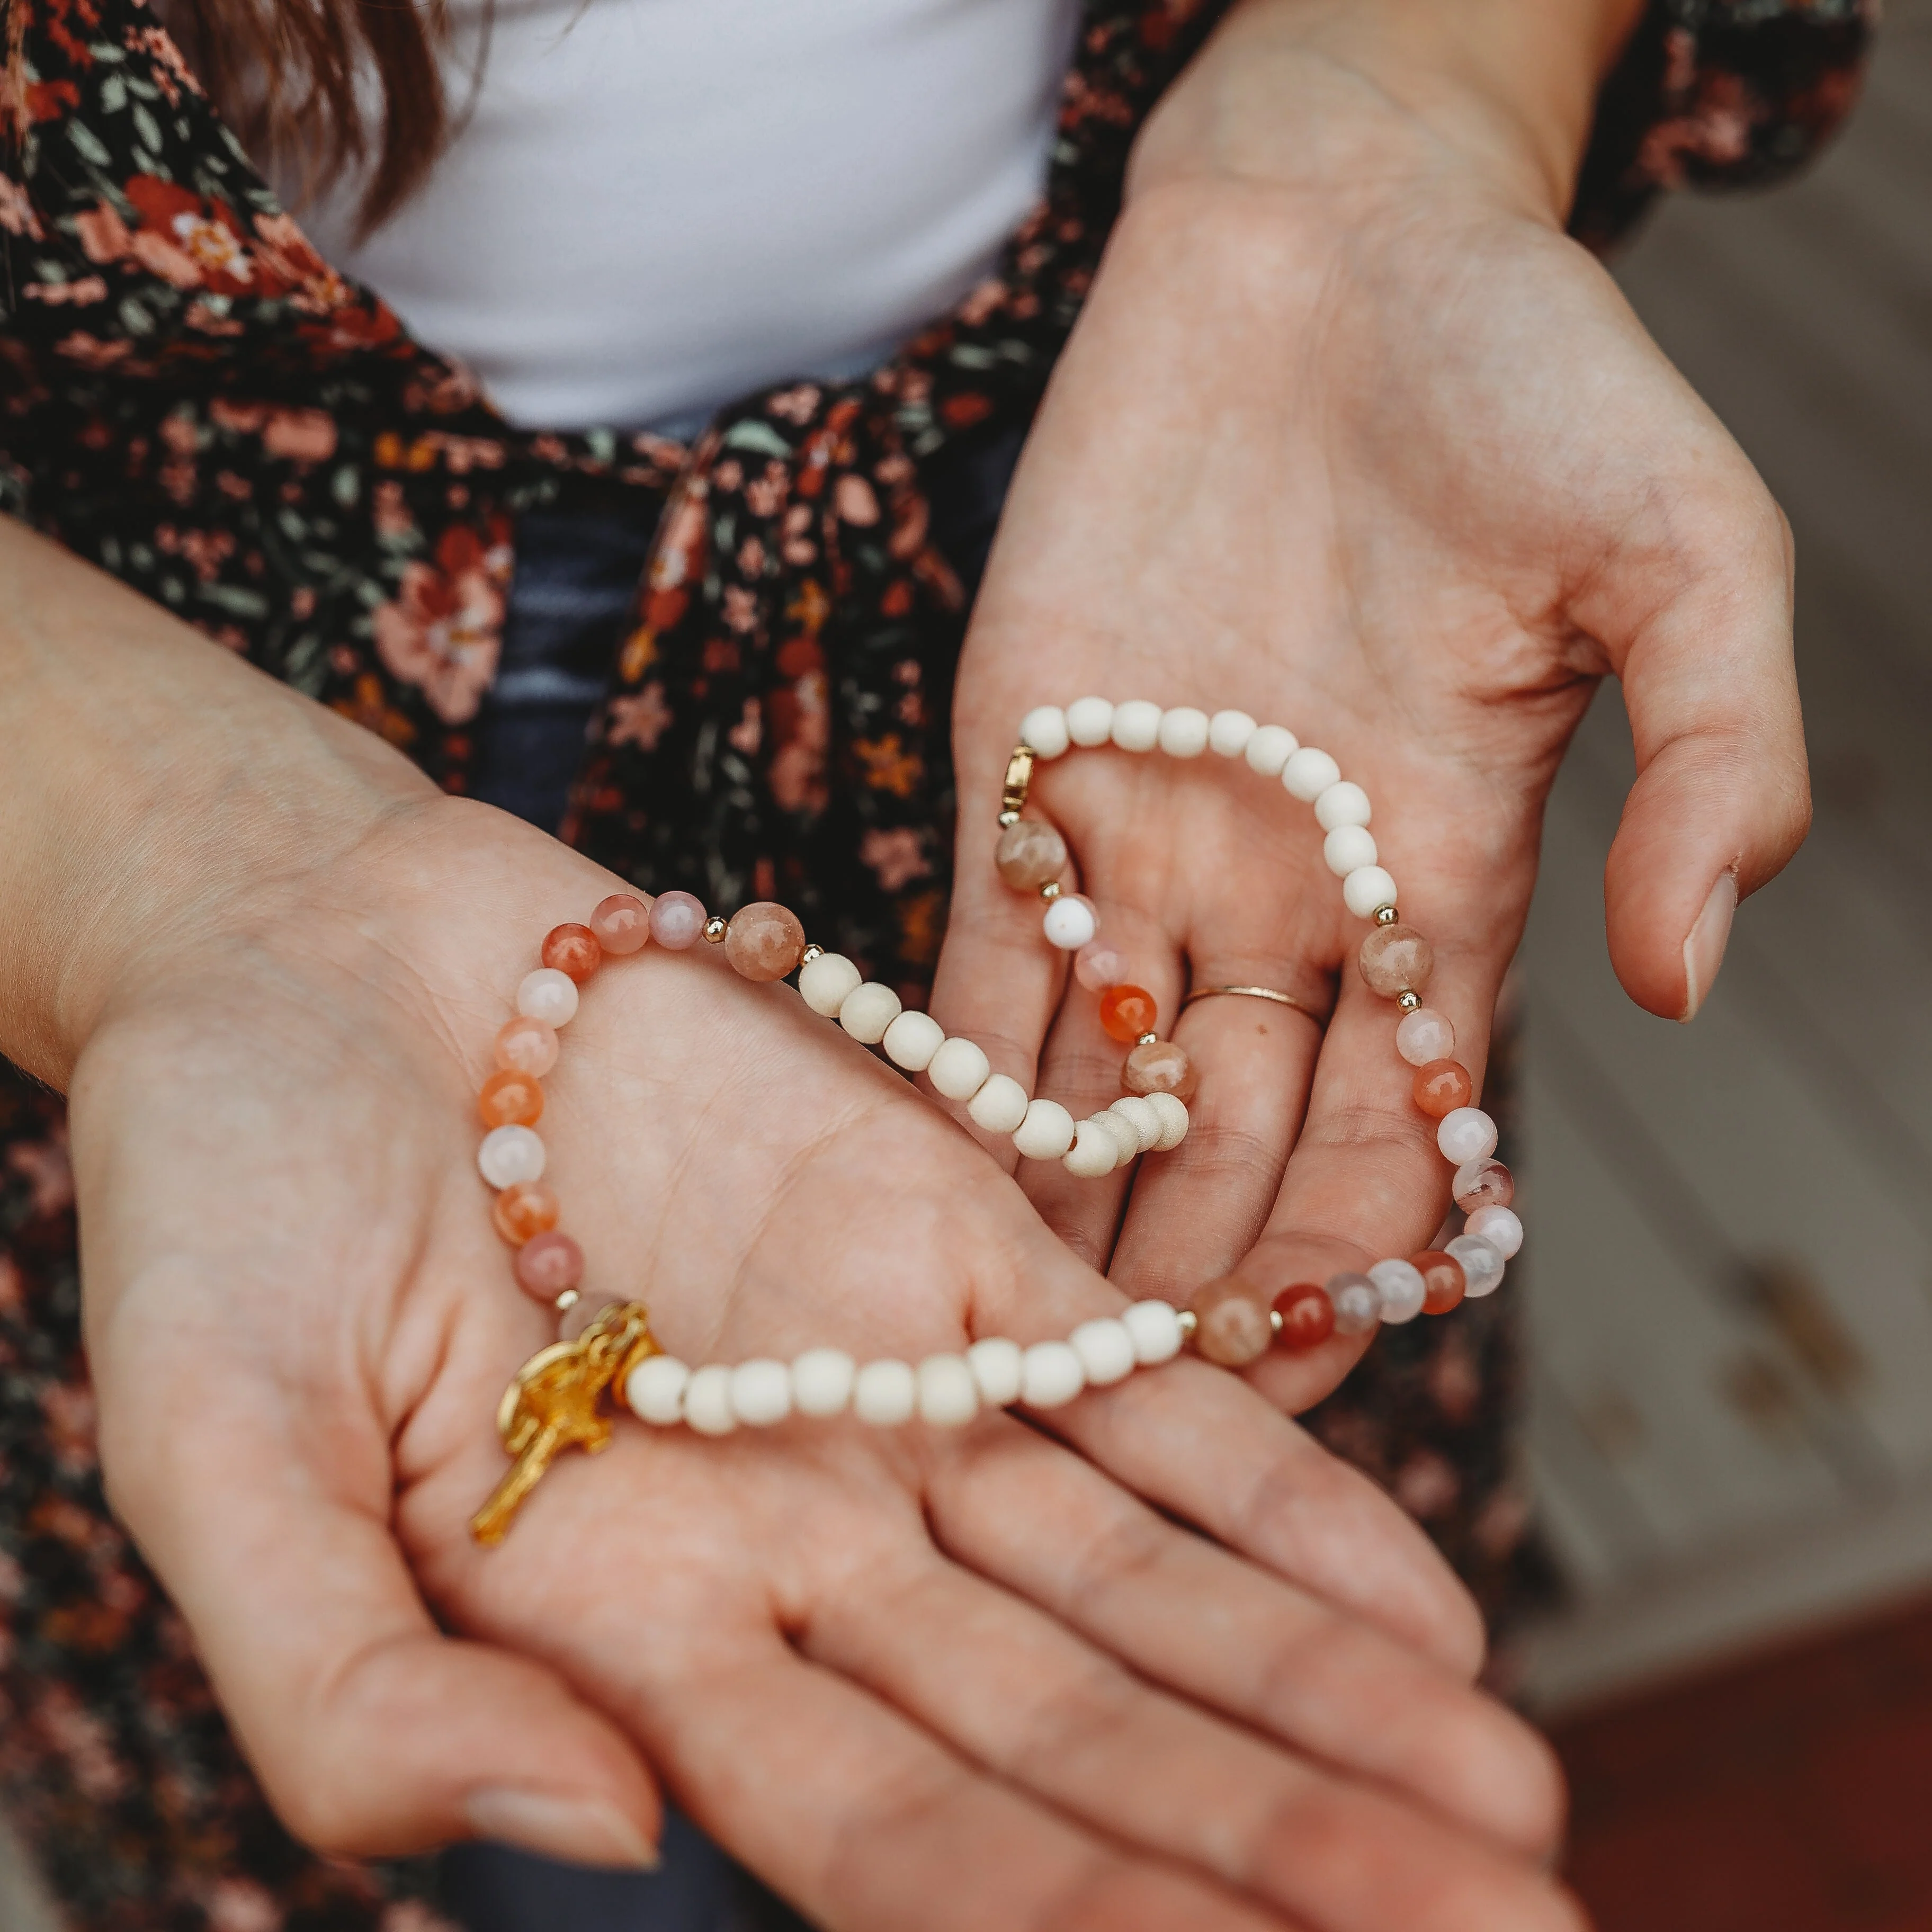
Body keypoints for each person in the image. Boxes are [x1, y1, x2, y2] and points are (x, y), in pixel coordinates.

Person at [0, 0, 1870, 1928]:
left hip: (1198, 529)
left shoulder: (1239, 892)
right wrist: (167, 866)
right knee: (574, 1807)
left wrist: (1410, 91)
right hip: (187, 692)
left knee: (1225, 1576)